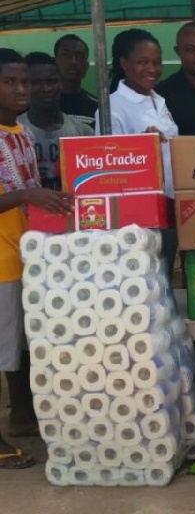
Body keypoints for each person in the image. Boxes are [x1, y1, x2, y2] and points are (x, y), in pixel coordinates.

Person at [0, 48, 72, 469]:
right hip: (1, 259)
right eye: (10, 82)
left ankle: (24, 416)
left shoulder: (21, 134)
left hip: (25, 251)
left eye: (24, 81)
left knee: (18, 344)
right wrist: (29, 195)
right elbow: (24, 192)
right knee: (3, 346)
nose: (22, 89)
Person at [97, 28, 178, 197]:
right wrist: (141, 144)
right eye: (143, 62)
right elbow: (108, 166)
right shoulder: (111, 108)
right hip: (140, 206)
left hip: (172, 200)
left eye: (157, 63)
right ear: (124, 63)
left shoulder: (160, 101)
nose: (152, 69)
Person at [18, 52, 93, 191]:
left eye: (52, 81)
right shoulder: (15, 133)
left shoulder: (83, 132)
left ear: (60, 83)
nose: (46, 89)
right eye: (36, 82)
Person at [53, 34, 97, 128]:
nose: (73, 61)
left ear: (87, 65)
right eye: (65, 55)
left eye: (80, 56)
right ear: (55, 62)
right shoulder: (42, 105)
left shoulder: (97, 107)